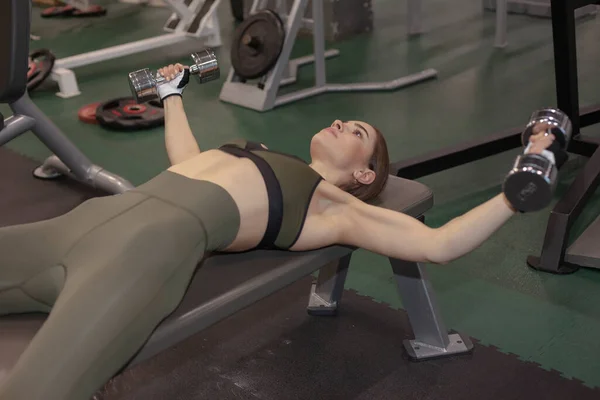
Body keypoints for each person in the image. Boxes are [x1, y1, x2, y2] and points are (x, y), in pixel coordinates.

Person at [0, 64, 557, 400]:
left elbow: (439, 245)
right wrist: (172, 95)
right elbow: (185, 158)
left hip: (141, 256)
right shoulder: (255, 150)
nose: (340, 121)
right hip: (79, 224)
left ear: (364, 173)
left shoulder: (332, 206)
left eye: (355, 130)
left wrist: (515, 191)